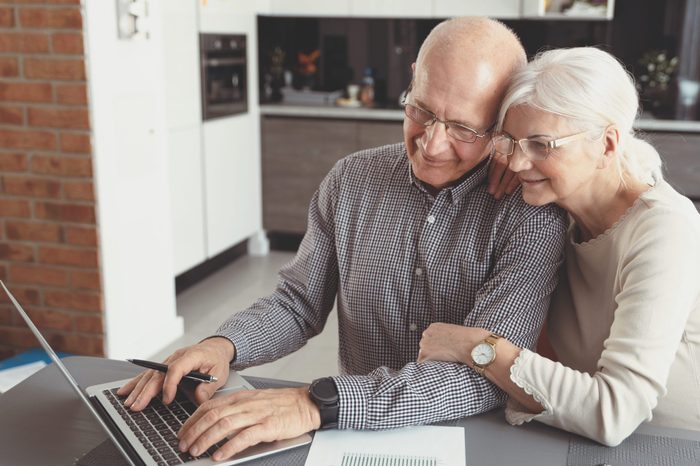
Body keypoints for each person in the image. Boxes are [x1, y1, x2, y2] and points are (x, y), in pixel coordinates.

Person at [119, 17, 568, 461]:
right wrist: (223, 346)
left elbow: (482, 375)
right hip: (350, 438)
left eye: (463, 129)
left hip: (469, 441)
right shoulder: (351, 179)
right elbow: (298, 303)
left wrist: (316, 402)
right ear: (413, 79)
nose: (431, 145)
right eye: (422, 111)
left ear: (502, 123)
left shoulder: (529, 215)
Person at [419, 46, 700, 446]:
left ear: (606, 144)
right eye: (511, 142)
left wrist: (475, 346)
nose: (516, 163)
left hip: (670, 444)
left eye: (541, 145)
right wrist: (515, 153)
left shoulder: (664, 230)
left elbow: (614, 411)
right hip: (576, 435)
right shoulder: (558, 204)